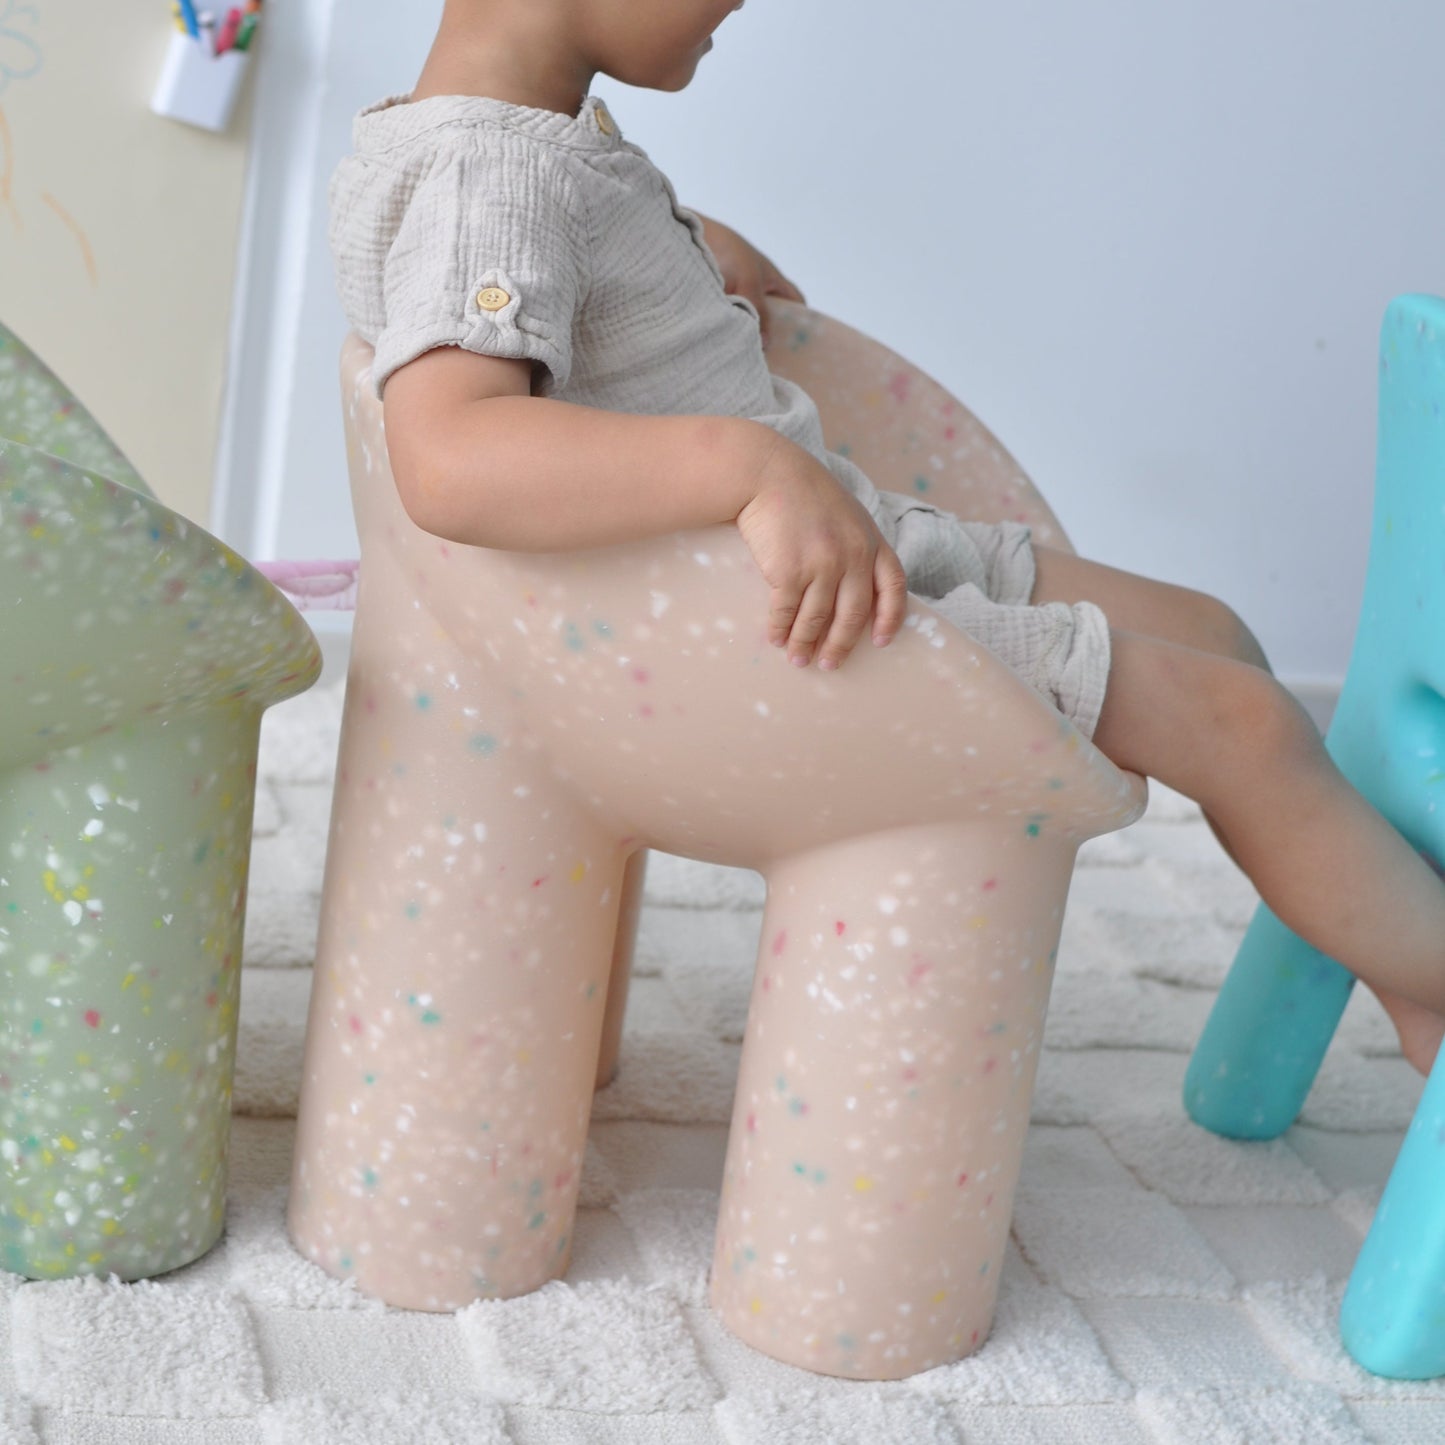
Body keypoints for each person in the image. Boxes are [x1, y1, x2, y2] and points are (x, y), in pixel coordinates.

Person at [327, 0, 1445, 1075]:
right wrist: (746, 462)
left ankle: (1400, 980)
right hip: (787, 629)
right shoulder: (488, 174)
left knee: (1213, 633)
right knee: (1244, 723)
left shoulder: (496, 145)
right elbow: (451, 456)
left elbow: (544, 275)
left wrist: (684, 251)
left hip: (842, 561)